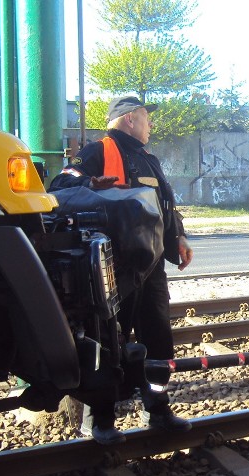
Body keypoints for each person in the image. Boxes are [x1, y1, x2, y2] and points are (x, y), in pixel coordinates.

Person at [50, 95, 194, 444]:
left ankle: (157, 409)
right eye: (147, 117)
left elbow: (164, 205)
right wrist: (90, 184)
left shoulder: (148, 158)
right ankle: (99, 419)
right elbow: (59, 187)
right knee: (109, 342)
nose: (151, 125)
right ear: (129, 118)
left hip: (152, 265)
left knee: (157, 338)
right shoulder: (98, 151)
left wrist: (180, 236)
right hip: (113, 267)